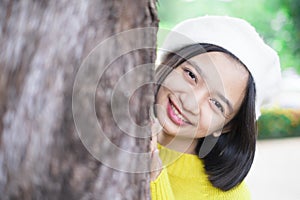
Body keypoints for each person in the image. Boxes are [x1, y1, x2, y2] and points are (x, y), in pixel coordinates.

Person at [150, 16, 281, 199]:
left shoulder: (230, 196)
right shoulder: (111, 137)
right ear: (170, 65)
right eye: (191, 75)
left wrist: (152, 175)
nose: (190, 103)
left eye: (217, 104)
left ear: (226, 126)